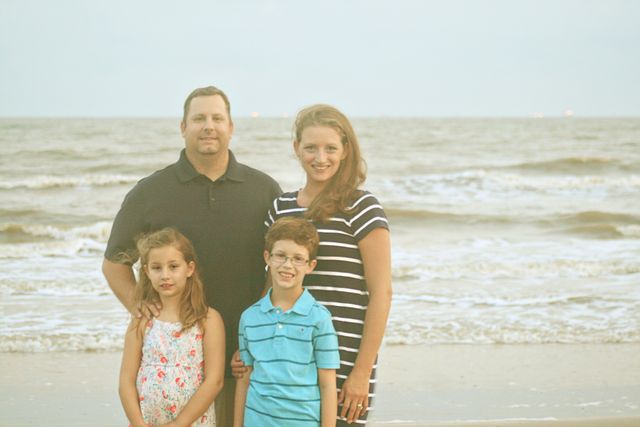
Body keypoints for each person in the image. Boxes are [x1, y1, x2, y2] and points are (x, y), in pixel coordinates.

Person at [103, 85, 281, 426]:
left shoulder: (263, 190)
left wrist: (261, 330)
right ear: (183, 127)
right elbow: (114, 264)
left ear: (231, 127)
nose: (208, 126)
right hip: (172, 367)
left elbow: (281, 266)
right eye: (199, 118)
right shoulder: (149, 192)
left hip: (242, 359)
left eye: (217, 118)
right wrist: (142, 309)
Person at [264, 104, 392, 425]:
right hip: (285, 358)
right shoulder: (280, 208)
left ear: (345, 150)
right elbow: (270, 289)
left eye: (330, 148)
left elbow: (382, 293)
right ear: (297, 148)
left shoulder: (361, 207)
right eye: (311, 147)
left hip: (344, 359)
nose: (320, 158)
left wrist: (362, 372)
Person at [234, 217, 340, 427]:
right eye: (280, 255)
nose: (287, 265)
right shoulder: (249, 318)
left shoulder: (320, 318)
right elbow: (244, 380)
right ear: (267, 257)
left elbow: (327, 384)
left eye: (298, 258)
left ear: (310, 266)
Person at [119, 228, 225, 427]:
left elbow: (214, 381)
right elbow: (126, 381)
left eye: (173, 266)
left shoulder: (208, 320)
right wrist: (138, 423)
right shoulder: (141, 320)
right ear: (147, 272)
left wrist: (179, 423)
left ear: (189, 269)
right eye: (157, 268)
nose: (165, 275)